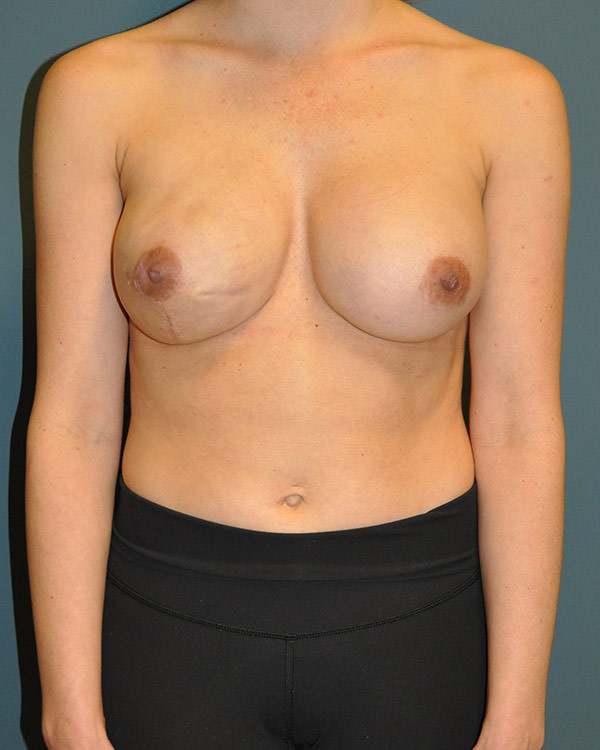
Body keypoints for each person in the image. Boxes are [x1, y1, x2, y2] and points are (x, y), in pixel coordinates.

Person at [26, 1, 569, 748]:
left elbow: (519, 423)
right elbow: (74, 418)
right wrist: (67, 715)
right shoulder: (99, 89)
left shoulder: (504, 96)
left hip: (418, 615)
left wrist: (519, 714)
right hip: (171, 613)